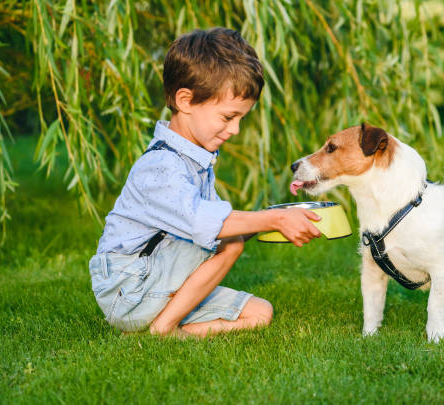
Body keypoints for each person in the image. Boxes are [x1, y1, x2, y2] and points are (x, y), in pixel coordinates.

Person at [89, 27, 321, 338]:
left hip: (156, 279)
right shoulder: (161, 166)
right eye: (228, 117)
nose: (236, 130)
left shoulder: (194, 159)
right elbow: (207, 225)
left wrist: (275, 220)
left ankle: (164, 329)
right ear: (185, 100)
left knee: (259, 313)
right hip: (129, 287)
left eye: (242, 119)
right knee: (230, 242)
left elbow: (212, 225)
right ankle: (164, 327)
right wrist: (275, 218)